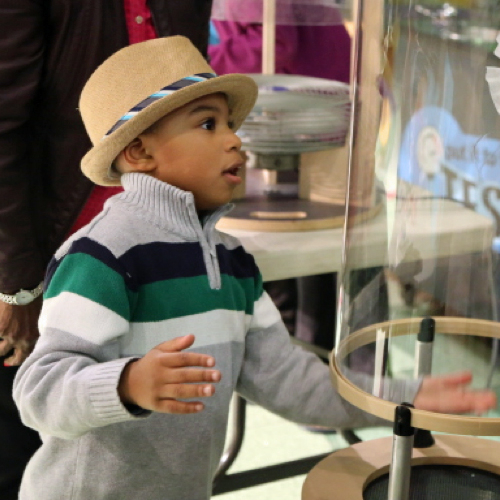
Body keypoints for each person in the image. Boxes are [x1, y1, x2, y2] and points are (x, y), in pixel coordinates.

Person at [12, 36, 497, 500]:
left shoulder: (233, 263)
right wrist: (129, 383)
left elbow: (288, 380)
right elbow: (39, 391)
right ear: (139, 152)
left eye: (230, 124)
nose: (234, 141)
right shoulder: (102, 257)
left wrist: (402, 397)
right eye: (208, 125)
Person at [0, 2, 213, 499]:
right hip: (46, 247)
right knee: (24, 445)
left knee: (142, 448)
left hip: (156, 240)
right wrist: (17, 284)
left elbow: (195, 93)